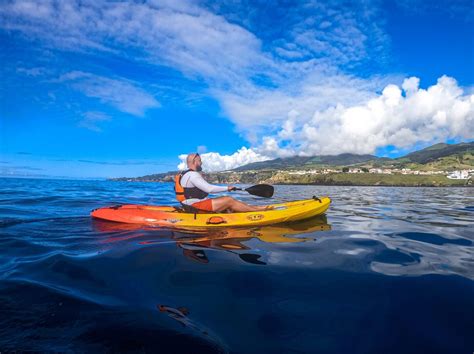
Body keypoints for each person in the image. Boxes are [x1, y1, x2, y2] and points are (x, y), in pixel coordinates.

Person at [174, 153, 270, 213]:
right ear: (194, 161)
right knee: (228, 200)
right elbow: (209, 189)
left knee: (225, 201)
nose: (201, 163)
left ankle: (252, 208)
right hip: (194, 206)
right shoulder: (193, 175)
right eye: (200, 161)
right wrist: (227, 188)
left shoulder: (185, 174)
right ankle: (257, 210)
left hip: (189, 205)